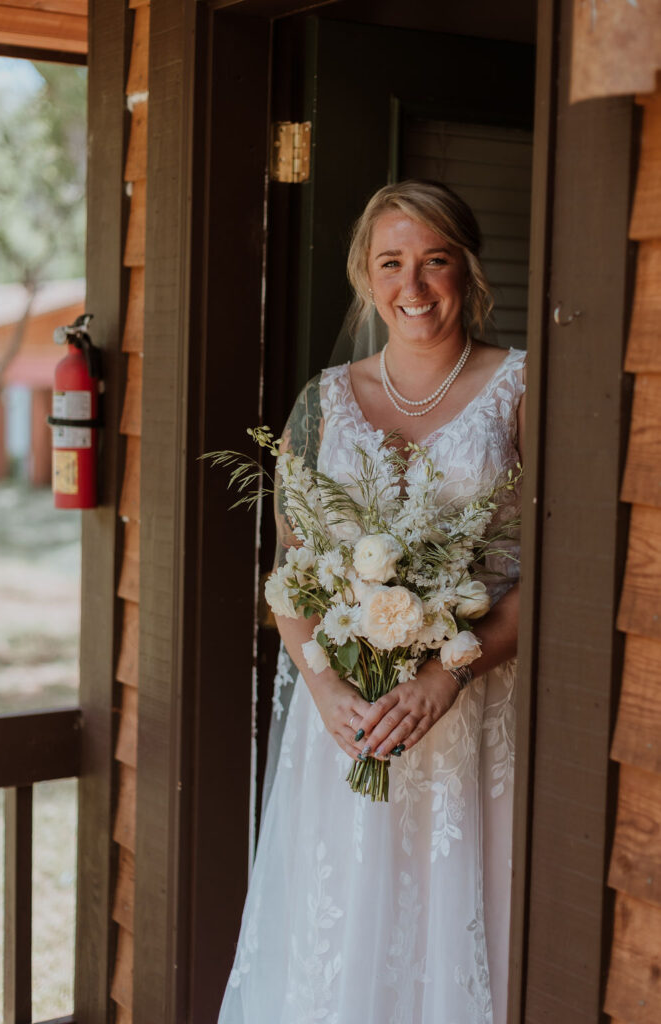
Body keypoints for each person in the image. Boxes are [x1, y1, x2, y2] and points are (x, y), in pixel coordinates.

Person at [218, 180, 525, 1024]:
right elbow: (290, 570)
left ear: (466, 268)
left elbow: (556, 574)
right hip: (347, 718)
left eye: (435, 261)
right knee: (341, 932)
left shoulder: (522, 388)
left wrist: (444, 677)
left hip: (470, 708)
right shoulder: (321, 402)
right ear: (365, 276)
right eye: (392, 263)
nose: (414, 287)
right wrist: (326, 693)